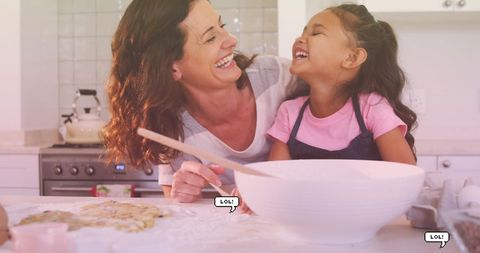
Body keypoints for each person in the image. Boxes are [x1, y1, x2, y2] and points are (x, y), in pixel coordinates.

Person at [103, 0, 300, 204]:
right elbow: (214, 209)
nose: (231, 40)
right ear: (172, 68)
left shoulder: (281, 80)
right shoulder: (173, 132)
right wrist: (227, 202)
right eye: (211, 38)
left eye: (221, 26)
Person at [267, 4, 417, 164]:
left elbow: (406, 175)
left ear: (351, 58)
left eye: (316, 33)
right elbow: (275, 179)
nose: (300, 39)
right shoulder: (289, 113)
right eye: (303, 32)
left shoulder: (372, 108)